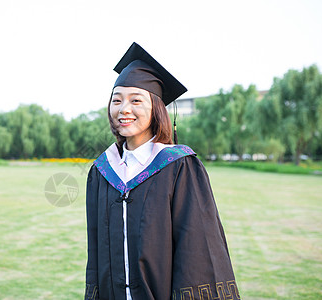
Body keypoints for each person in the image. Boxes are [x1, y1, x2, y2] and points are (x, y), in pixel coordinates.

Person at [85, 42, 240, 300]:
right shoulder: (102, 171)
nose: (124, 109)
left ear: (156, 108)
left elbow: (197, 250)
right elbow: (96, 253)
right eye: (117, 100)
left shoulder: (178, 167)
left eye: (136, 100)